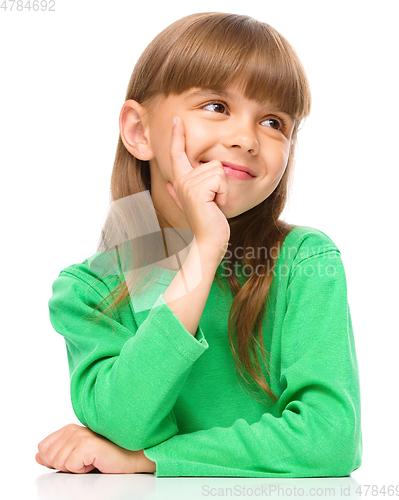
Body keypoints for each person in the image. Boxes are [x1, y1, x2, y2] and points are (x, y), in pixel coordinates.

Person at [35, 12, 363, 477]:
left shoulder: (305, 261)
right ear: (140, 131)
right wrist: (204, 250)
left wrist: (152, 459)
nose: (247, 139)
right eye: (216, 106)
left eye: (273, 121)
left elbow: (330, 442)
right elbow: (125, 423)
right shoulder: (89, 290)